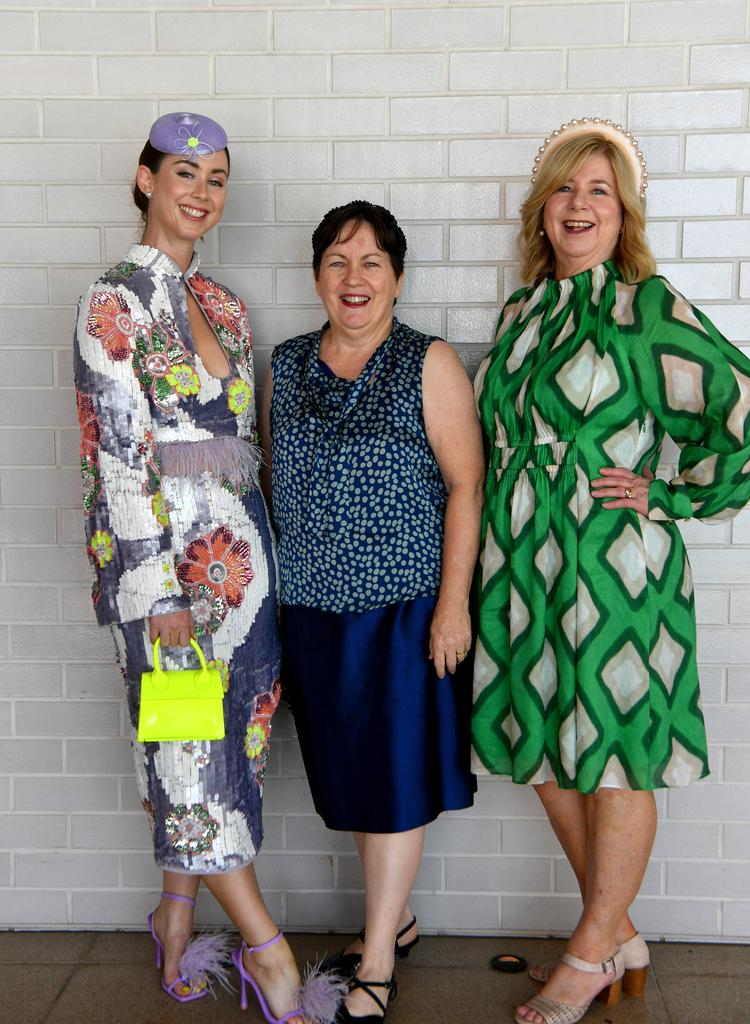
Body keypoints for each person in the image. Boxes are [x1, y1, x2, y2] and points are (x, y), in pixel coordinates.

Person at [471, 118, 750, 1024]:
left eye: (600, 191)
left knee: (615, 755)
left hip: (615, 565)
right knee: (543, 751)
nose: (580, 205)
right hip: (520, 560)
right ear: (542, 207)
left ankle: (591, 948)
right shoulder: (520, 312)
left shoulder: (650, 306)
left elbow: (747, 410)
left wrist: (667, 492)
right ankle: (620, 932)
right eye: (565, 188)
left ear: (624, 211)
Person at [74, 112, 341, 1024]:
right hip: (169, 586)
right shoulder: (112, 301)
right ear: (145, 179)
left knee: (235, 746)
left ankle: (175, 913)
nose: (201, 191)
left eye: (217, 177)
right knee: (189, 754)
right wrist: (157, 596)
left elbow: (247, 448)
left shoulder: (223, 303)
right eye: (185, 172)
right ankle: (270, 955)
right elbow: (115, 455)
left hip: (245, 571)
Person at [263, 200, 483, 1022]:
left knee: (393, 778)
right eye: (337, 263)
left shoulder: (427, 362)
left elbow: (467, 484)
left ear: (396, 277)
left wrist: (452, 606)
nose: (354, 280)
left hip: (404, 609)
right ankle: (403, 919)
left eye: (371, 264)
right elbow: (273, 483)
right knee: (352, 777)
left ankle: (380, 954)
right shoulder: (284, 365)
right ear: (317, 275)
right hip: (314, 609)